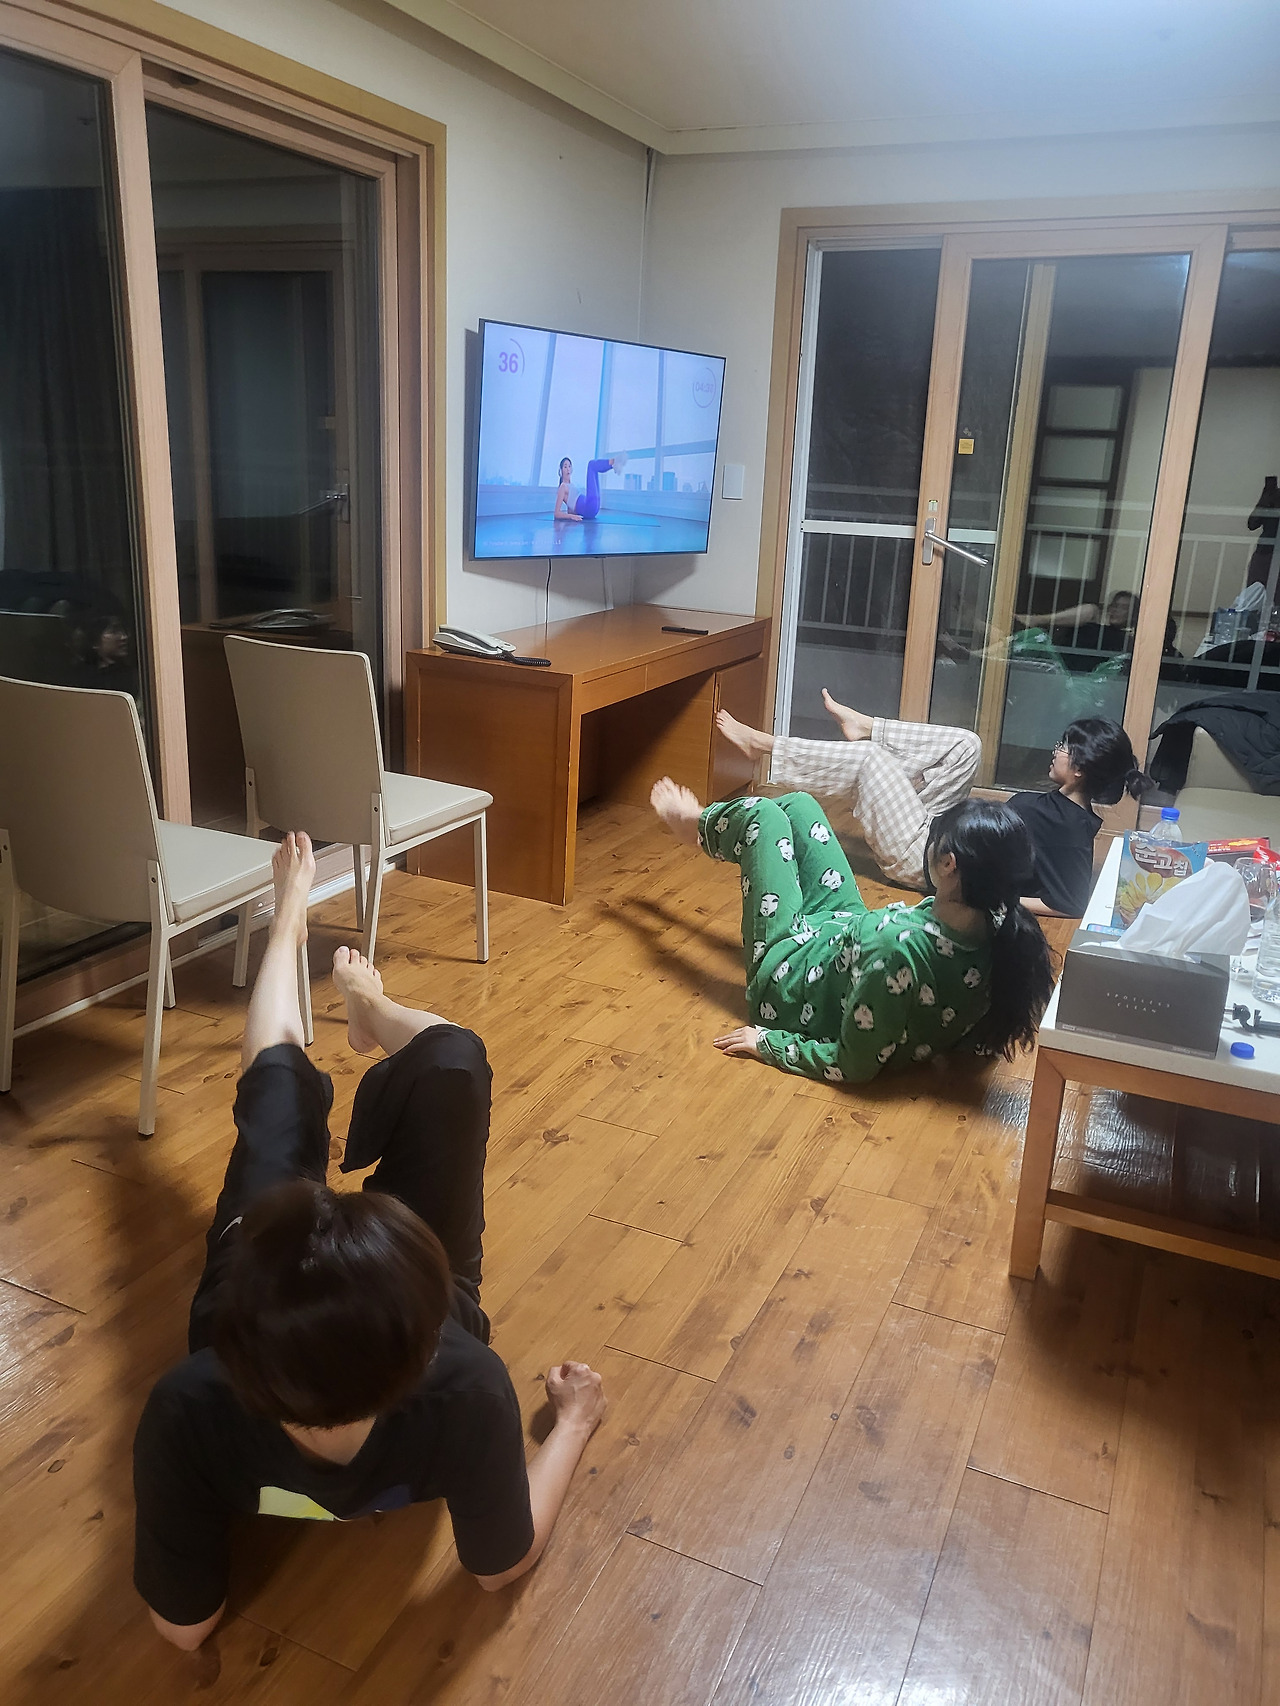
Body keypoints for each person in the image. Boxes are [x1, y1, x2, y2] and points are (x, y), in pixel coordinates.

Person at [133, 832, 606, 1651]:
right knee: (455, 1060)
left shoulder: (189, 1404)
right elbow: (500, 1567)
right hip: (373, 1310)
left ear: (235, 1333)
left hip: (292, 1294)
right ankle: (349, 979)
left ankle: (315, 952)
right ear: (428, 1338)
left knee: (276, 1080)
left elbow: (184, 1630)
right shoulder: (465, 1383)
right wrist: (572, 1424)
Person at [649, 779, 1054, 1086]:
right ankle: (710, 829)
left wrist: (769, 1044)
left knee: (762, 816)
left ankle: (697, 825)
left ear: (949, 864)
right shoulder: (998, 922)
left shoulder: (897, 948)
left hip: (788, 978)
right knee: (800, 805)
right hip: (843, 944)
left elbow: (854, 1063)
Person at [715, 697, 1147, 919]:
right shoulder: (1065, 811)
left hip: (924, 857)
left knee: (869, 761)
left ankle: (764, 746)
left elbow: (1070, 902)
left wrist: (988, 898)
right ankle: (866, 727)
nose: (1056, 750)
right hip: (941, 827)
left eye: (1065, 747)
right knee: (967, 745)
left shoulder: (1069, 829)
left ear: (1080, 769)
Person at [553, 453, 626, 521]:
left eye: (569, 466)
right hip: (589, 507)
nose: (568, 469)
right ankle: (614, 462)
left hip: (594, 507)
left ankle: (613, 465)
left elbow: (571, 508)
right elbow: (556, 513)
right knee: (591, 465)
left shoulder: (571, 485)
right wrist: (572, 517)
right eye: (565, 467)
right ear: (561, 470)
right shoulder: (563, 486)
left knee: (595, 470)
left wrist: (573, 514)